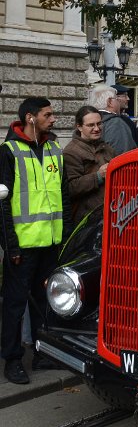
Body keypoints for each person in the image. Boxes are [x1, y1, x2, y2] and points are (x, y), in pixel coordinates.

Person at [0, 97, 72, 384]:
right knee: (16, 304)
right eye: (47, 114)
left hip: (51, 243)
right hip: (24, 246)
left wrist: (65, 237)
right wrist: (11, 246)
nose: (53, 119)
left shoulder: (54, 148)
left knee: (45, 302)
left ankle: (43, 354)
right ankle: (13, 359)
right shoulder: (8, 151)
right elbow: (2, 204)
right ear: (30, 118)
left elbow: (62, 196)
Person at [63, 106, 116, 222]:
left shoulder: (107, 148)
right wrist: (98, 176)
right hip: (87, 219)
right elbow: (70, 188)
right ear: (79, 127)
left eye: (99, 124)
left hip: (110, 213)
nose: (97, 128)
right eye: (91, 125)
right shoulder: (71, 152)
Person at [91, 84, 136, 155]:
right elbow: (121, 154)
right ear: (109, 102)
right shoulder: (116, 123)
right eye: (116, 99)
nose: (118, 102)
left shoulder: (89, 122)